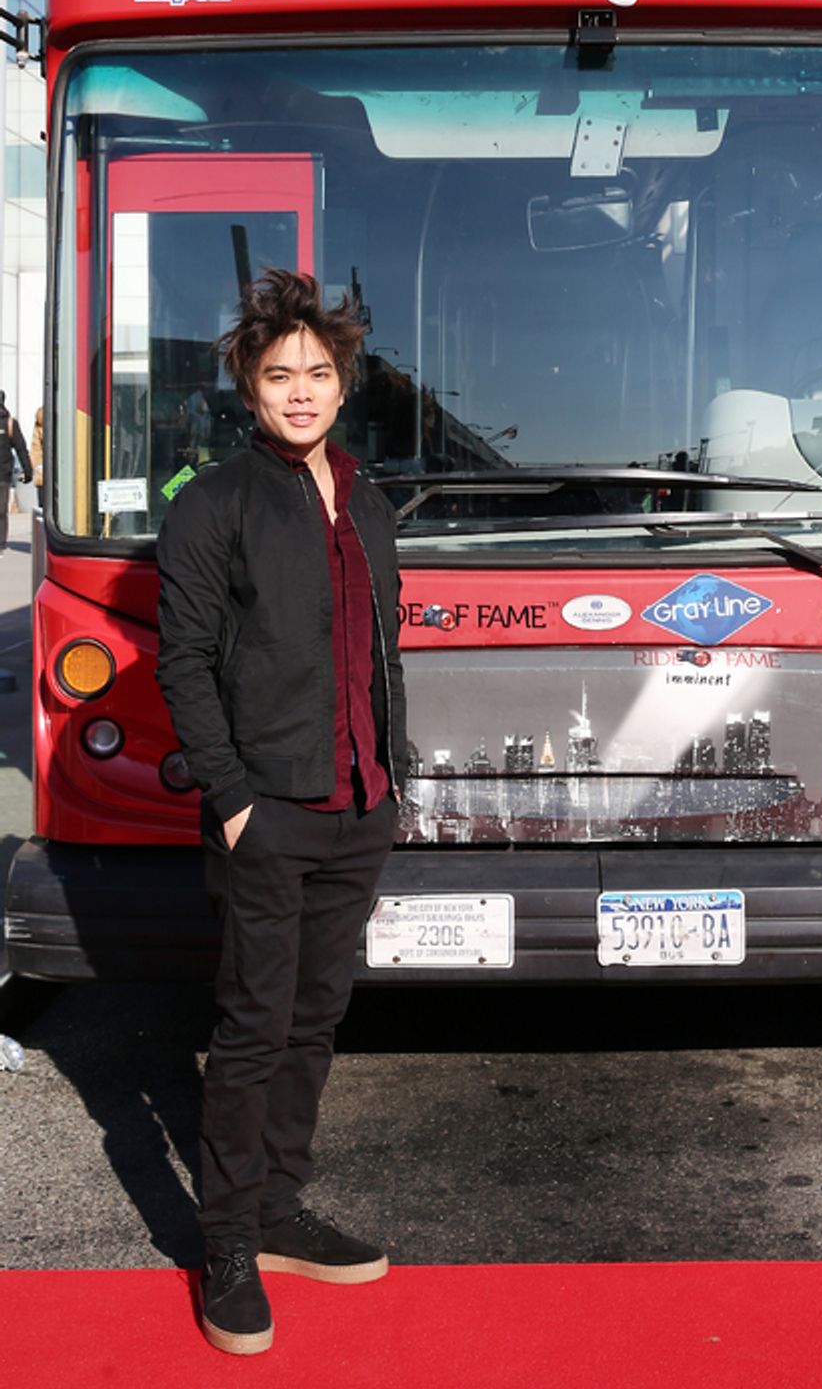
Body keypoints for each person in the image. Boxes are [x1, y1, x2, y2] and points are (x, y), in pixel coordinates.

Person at [156, 270, 405, 1357]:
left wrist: (395, 778)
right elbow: (186, 662)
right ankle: (225, 1244)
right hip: (270, 809)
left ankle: (279, 1205)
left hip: (360, 804)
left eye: (316, 373)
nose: (299, 393)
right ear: (248, 390)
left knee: (314, 1022)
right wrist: (234, 799)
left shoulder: (369, 497)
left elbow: (379, 652)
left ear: (343, 382)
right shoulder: (215, 503)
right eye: (277, 376)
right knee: (252, 1031)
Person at [0, 393, 34, 547]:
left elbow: (21, 448)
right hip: (4, 474)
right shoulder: (10, 423)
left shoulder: (9, 424)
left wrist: (28, 471)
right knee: (1, 511)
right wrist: (28, 471)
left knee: (1, 510)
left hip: (3, 474)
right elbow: (21, 449)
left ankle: (0, 543)